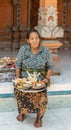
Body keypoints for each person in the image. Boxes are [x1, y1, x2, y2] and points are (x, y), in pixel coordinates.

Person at [14, 29, 53, 128]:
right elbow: (18, 65)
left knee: (41, 93)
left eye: (37, 38)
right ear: (28, 40)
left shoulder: (45, 51)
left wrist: (46, 79)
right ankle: (22, 112)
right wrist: (18, 78)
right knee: (19, 90)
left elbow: (50, 67)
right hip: (25, 79)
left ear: (39, 39)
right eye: (32, 39)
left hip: (40, 79)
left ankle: (38, 117)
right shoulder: (23, 49)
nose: (35, 40)